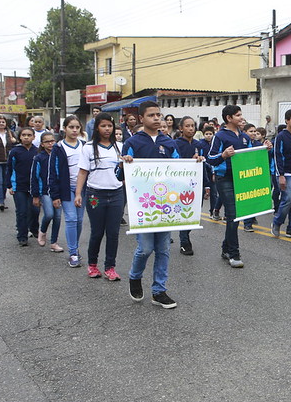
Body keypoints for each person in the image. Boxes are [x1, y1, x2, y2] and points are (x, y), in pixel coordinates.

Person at [120, 101, 188, 308]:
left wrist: (194, 162)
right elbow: (119, 173)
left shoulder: (169, 143)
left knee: (164, 249)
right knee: (145, 248)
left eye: (159, 115)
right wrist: (126, 163)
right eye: (152, 115)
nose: (157, 118)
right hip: (143, 204)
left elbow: (180, 170)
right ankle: (135, 276)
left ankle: (159, 291)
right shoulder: (133, 143)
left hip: (165, 202)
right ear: (142, 118)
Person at [74, 113, 124, 281]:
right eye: (103, 126)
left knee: (113, 233)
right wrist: (78, 193)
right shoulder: (88, 147)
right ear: (97, 128)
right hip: (95, 195)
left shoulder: (121, 147)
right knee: (97, 232)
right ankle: (92, 265)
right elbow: (82, 172)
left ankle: (110, 267)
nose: (107, 129)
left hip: (117, 194)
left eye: (110, 126)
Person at [206, 104, 255, 267]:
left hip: (241, 179)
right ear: (229, 118)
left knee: (236, 216)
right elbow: (210, 158)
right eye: (238, 115)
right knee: (233, 215)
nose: (242, 118)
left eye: (241, 115)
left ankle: (226, 248)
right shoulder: (220, 136)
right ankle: (234, 254)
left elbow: (251, 156)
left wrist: (266, 149)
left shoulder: (245, 137)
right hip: (224, 179)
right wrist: (223, 155)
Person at [49, 116, 86, 267]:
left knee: (79, 220)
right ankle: (73, 253)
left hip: (82, 188)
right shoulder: (58, 148)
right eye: (71, 127)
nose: (75, 130)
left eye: (77, 127)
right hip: (66, 189)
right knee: (71, 218)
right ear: (64, 128)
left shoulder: (85, 145)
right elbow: (53, 172)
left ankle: (75, 248)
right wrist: (55, 194)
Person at [174, 116, 210, 255]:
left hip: (197, 183)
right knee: (184, 211)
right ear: (181, 128)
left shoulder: (198, 144)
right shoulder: (175, 144)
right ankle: (184, 241)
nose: (190, 129)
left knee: (194, 212)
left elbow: (203, 166)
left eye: (192, 126)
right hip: (181, 184)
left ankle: (185, 233)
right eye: (187, 126)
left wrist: (207, 185)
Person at [271, 109, 291, 240]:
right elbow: (277, 155)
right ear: (287, 121)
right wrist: (281, 175)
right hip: (286, 173)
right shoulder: (281, 136)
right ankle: (277, 222)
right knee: (289, 198)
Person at [6, 127, 40, 246]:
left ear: (34, 137)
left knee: (35, 210)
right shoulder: (15, 151)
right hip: (19, 186)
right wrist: (9, 185)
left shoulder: (37, 151)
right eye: (24, 135)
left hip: (34, 186)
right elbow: (10, 168)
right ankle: (22, 235)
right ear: (20, 137)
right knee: (22, 211)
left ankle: (34, 228)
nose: (26, 137)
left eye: (29, 135)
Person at [31, 132, 63, 252]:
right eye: (47, 142)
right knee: (49, 214)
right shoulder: (39, 158)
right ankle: (42, 231)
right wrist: (35, 195)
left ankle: (54, 242)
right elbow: (34, 177)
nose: (50, 144)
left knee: (58, 217)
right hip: (44, 190)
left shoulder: (59, 155)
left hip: (58, 191)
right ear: (42, 144)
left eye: (52, 141)